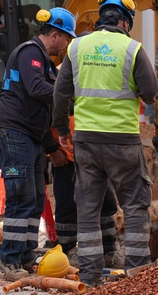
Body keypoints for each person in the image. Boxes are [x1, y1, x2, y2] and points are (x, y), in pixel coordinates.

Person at [53, 0, 158, 288]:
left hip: (86, 140)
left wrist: (62, 130)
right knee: (136, 205)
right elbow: (151, 93)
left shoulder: (76, 47)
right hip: (123, 140)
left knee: (87, 208)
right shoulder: (132, 49)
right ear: (126, 22)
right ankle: (137, 274)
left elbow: (60, 94)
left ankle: (88, 276)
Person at [0, 7, 77, 281]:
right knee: (21, 197)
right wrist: (66, 94)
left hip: (27, 136)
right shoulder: (30, 53)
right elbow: (36, 89)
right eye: (67, 39)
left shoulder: (43, 60)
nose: (67, 45)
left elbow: (38, 114)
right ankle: (9, 260)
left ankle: (25, 255)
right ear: (55, 35)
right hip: (13, 135)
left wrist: (52, 147)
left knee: (36, 198)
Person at [49, 114, 125, 270]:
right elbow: (42, 121)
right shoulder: (54, 91)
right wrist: (51, 149)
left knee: (106, 201)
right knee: (67, 203)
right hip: (67, 156)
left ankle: (108, 249)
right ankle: (68, 249)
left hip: (96, 152)